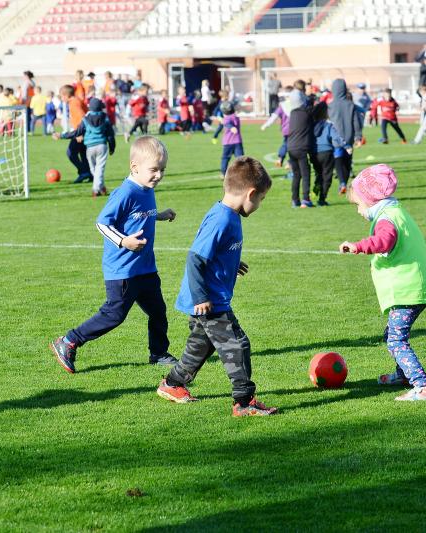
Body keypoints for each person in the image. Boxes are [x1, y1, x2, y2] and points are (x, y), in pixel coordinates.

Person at [157, 156, 278, 417]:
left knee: (201, 345)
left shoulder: (229, 215)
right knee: (238, 345)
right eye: (261, 199)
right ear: (251, 193)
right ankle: (244, 402)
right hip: (209, 300)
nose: (259, 205)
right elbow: (195, 258)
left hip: (208, 298)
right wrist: (201, 296)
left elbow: (213, 252)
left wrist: (231, 262)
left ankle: (172, 383)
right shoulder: (222, 219)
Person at [50, 136, 178, 373]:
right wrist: (124, 241)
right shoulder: (124, 193)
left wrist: (159, 215)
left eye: (162, 170)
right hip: (122, 270)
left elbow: (139, 215)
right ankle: (68, 341)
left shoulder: (146, 188)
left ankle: (158, 353)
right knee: (114, 315)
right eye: (154, 170)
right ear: (134, 167)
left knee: (158, 311)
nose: (158, 175)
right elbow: (102, 224)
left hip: (146, 268)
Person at [339, 164, 426, 401]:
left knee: (396, 339)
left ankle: (422, 386)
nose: (358, 210)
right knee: (392, 334)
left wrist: (358, 246)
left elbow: (384, 240)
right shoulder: (396, 211)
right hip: (412, 288)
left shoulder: (386, 219)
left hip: (407, 291)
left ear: (371, 199)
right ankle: (403, 374)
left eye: (358, 204)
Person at [56, 97, 116, 197]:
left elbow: (77, 132)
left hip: (90, 147)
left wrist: (62, 135)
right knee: (99, 168)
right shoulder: (105, 118)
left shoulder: (85, 119)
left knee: (93, 169)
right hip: (102, 145)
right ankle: (99, 188)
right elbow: (110, 134)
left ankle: (97, 189)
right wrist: (112, 146)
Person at [329, 79, 363, 196]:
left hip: (335, 138)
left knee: (338, 159)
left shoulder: (330, 105)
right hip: (349, 137)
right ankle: (346, 182)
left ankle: (342, 182)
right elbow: (356, 122)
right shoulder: (350, 105)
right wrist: (358, 136)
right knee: (347, 161)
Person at [311, 102, 347, 206]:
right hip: (327, 152)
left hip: (314, 153)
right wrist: (345, 145)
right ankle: (322, 199)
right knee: (327, 176)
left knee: (319, 173)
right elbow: (336, 137)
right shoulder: (328, 125)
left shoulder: (311, 125)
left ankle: (317, 184)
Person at [57, 84, 92, 183]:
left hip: (80, 132)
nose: (61, 98)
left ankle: (84, 172)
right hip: (84, 131)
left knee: (71, 152)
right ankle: (89, 174)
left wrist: (79, 133)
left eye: (61, 96)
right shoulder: (75, 101)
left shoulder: (74, 103)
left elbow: (82, 117)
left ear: (66, 95)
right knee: (83, 154)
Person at [286, 89, 314, 208]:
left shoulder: (292, 113)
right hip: (301, 147)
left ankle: (295, 200)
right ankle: (305, 199)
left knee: (296, 174)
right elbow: (313, 110)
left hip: (291, 147)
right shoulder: (306, 112)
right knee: (305, 174)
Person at [260, 86, 292, 167]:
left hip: (285, 130)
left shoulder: (282, 106)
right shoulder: (296, 104)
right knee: (293, 146)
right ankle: (290, 162)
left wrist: (265, 125)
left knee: (285, 144)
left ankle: (280, 158)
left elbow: (273, 117)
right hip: (296, 130)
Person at [219, 101, 244, 178]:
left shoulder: (228, 118)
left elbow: (227, 122)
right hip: (235, 142)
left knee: (227, 158)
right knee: (239, 159)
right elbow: (228, 123)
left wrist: (232, 127)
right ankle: (241, 173)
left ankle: (224, 173)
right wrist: (231, 127)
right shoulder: (234, 118)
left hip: (230, 142)